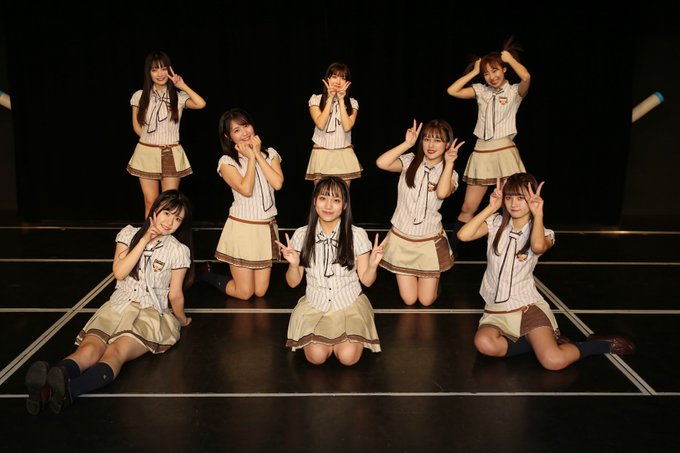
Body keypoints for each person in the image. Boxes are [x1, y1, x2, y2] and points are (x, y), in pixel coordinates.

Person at [24, 190, 194, 414]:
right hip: (117, 307)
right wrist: (144, 239)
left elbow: (175, 294)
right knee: (90, 350)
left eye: (178, 218)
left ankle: (49, 390)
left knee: (114, 351)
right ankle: (65, 389)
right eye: (167, 213)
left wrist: (179, 317)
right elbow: (120, 273)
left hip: (149, 313)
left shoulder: (178, 250)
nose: (170, 222)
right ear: (155, 210)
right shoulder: (129, 234)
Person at [456, 173, 635, 370]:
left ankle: (600, 345)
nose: (514, 204)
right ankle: (536, 342)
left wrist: (538, 214)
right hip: (496, 311)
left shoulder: (543, 232)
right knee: (484, 343)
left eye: (521, 198)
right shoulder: (496, 223)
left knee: (553, 361)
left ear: (532, 199)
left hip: (526, 309)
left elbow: (538, 246)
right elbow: (463, 235)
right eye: (509, 197)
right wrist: (491, 207)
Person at [276, 176, 383, 365]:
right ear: (314, 201)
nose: (328, 205)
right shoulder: (301, 235)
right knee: (316, 357)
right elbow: (293, 282)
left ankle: (341, 341)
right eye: (323, 198)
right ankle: (330, 341)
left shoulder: (357, 235)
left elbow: (367, 281)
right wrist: (293, 265)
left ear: (344, 205)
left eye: (336, 200)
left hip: (349, 304)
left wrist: (373, 265)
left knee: (348, 358)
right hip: (315, 305)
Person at [446, 38, 530, 255]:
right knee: (467, 207)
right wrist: (475, 72)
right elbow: (452, 90)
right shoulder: (480, 91)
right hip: (482, 152)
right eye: (486, 73)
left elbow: (526, 77)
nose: (491, 77)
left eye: (495, 70)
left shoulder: (514, 92)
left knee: (514, 205)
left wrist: (510, 59)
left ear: (504, 69)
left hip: (505, 152)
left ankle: (517, 249)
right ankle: (450, 253)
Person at [197, 108, 284, 300]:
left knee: (260, 292)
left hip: (265, 228)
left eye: (246, 126)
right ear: (228, 137)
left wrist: (257, 154)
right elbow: (246, 189)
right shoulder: (227, 161)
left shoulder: (270, 154)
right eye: (237, 130)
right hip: (242, 228)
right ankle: (206, 275)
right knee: (245, 293)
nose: (244, 132)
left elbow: (277, 183)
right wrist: (251, 158)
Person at [376, 119, 464, 306]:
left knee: (426, 300)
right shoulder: (410, 161)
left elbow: (442, 193)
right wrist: (407, 144)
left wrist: (449, 163)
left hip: (428, 242)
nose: (431, 145)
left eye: (438, 140)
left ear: (447, 144)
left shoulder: (451, 173)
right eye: (427, 139)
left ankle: (434, 283)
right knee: (409, 300)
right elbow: (381, 163)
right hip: (402, 239)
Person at [128, 51, 206, 218]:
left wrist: (182, 86)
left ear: (170, 70)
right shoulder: (139, 95)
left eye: (163, 69)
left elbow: (201, 104)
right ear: (148, 72)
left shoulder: (178, 97)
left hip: (170, 152)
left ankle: (166, 234)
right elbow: (136, 125)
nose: (160, 74)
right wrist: (150, 141)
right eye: (154, 69)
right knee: (150, 202)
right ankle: (150, 234)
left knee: (168, 202)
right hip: (147, 152)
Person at [306, 62, 361, 185]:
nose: (338, 81)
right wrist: (330, 98)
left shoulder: (352, 103)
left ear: (347, 82)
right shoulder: (316, 99)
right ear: (328, 79)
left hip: (344, 153)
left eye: (342, 78)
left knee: (343, 193)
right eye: (334, 76)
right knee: (321, 193)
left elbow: (347, 126)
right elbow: (320, 124)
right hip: (321, 153)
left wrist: (341, 100)